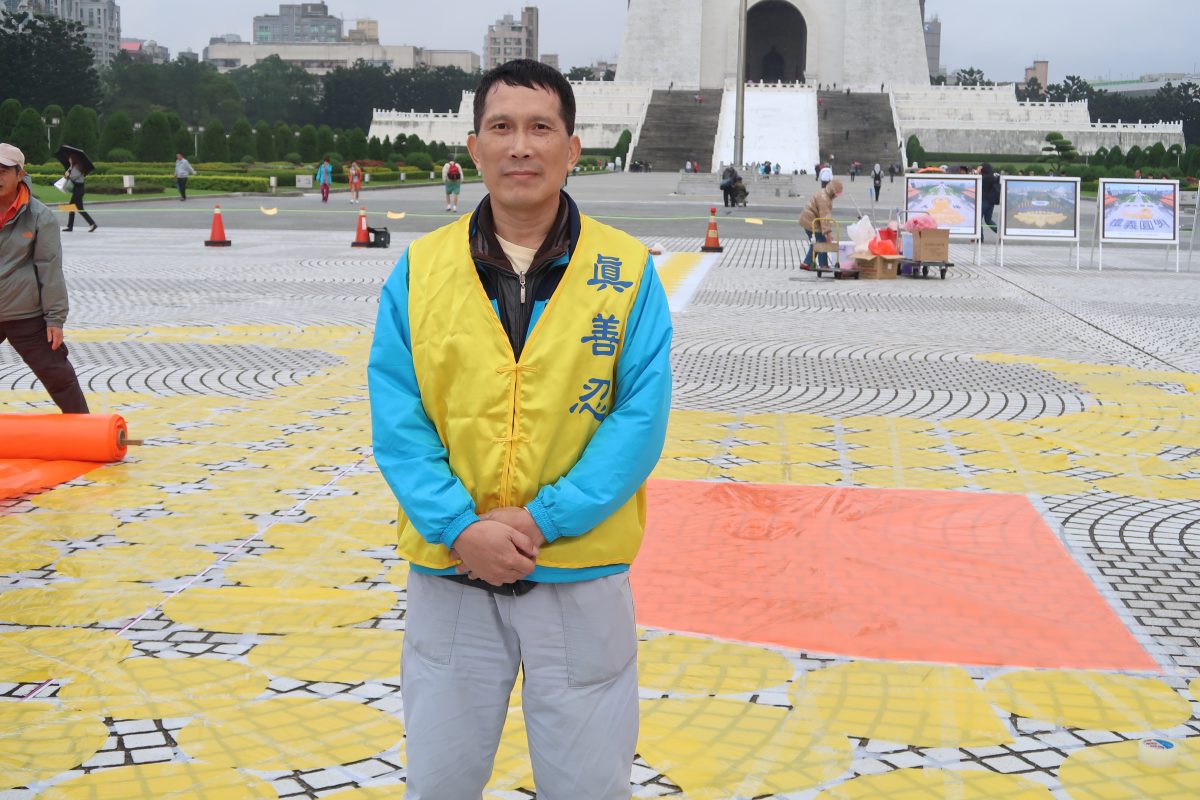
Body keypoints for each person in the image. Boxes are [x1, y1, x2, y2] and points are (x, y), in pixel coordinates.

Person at [368, 59, 672, 800]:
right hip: (453, 568)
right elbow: (397, 415)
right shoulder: (420, 270)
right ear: (473, 148)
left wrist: (542, 519)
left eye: (541, 128)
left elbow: (640, 418)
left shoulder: (627, 271)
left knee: (590, 786)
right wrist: (457, 526)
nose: (520, 146)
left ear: (573, 149)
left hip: (579, 571)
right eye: (501, 128)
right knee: (439, 781)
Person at [0, 143, 89, 414]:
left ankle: (85, 431)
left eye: (3, 171)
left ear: (20, 173)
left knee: (58, 375)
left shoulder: (40, 216)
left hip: (25, 313)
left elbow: (49, 269)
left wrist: (55, 318)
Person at [798, 179, 843, 270]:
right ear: (832, 192)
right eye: (836, 194)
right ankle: (823, 265)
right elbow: (824, 218)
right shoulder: (824, 199)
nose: (836, 197)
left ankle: (806, 263)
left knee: (816, 241)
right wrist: (828, 234)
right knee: (822, 241)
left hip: (809, 219)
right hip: (810, 221)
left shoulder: (825, 193)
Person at [62, 152, 97, 233]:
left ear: (73, 159)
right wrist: (70, 168)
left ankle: (92, 223)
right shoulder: (74, 167)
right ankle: (70, 226)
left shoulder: (77, 167)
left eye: (70, 158)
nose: (69, 160)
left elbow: (73, 177)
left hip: (79, 190)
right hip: (77, 190)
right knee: (71, 206)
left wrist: (68, 174)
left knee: (79, 208)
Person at [981, 163, 1000, 235]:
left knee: (978, 220)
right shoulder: (993, 177)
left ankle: (980, 237)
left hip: (983, 201)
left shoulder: (984, 177)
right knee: (988, 220)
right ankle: (999, 233)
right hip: (991, 201)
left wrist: (977, 171)